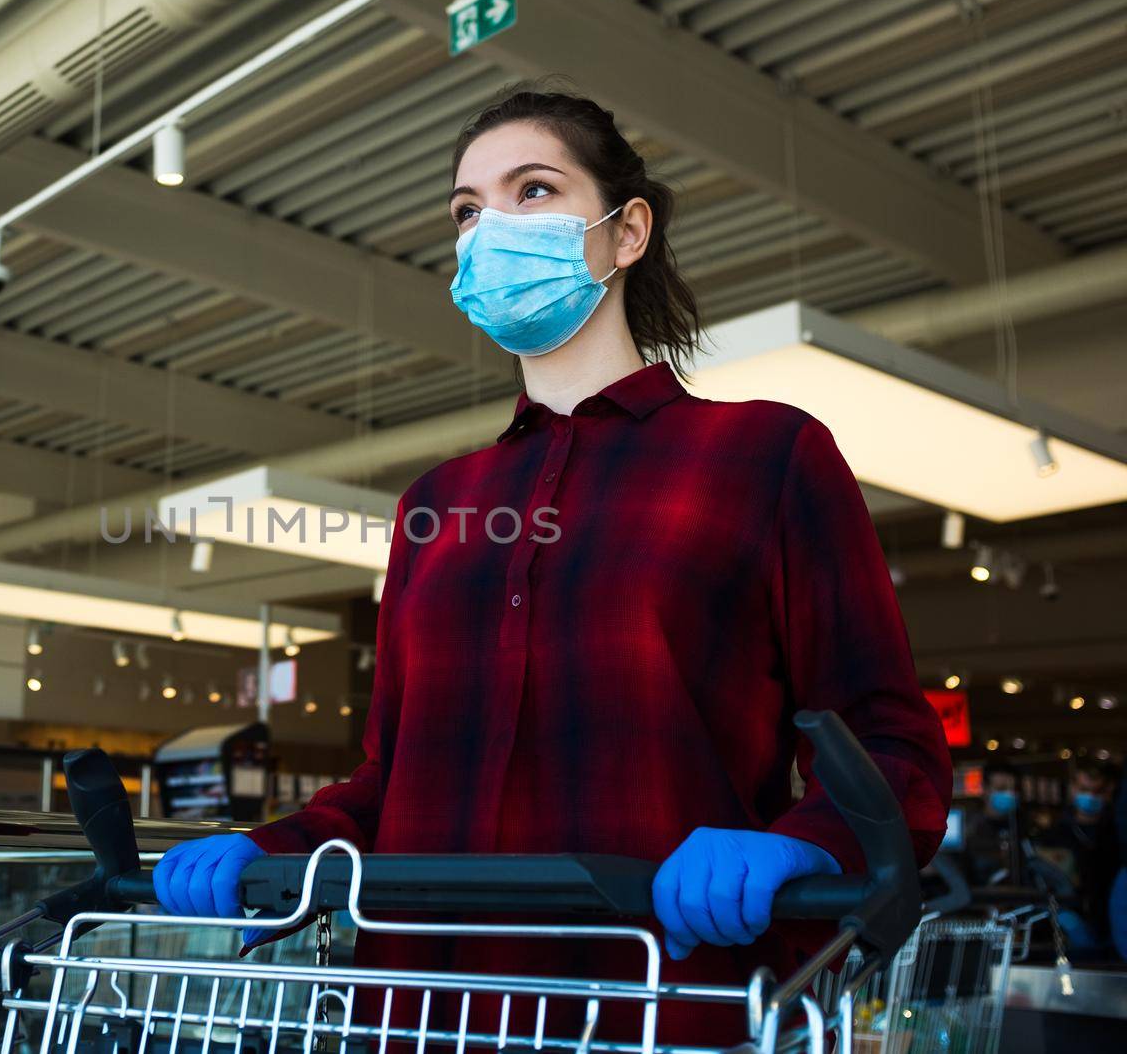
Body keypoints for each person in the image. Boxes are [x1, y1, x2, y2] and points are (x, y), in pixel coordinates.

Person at [153, 81, 952, 1047]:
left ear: (627, 233)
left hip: (663, 1000)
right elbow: (390, 780)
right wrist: (273, 845)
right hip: (420, 1012)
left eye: (532, 191)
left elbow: (891, 745)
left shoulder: (765, 458)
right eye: (467, 210)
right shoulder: (435, 507)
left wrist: (795, 846)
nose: (492, 228)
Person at [1030, 759, 1119, 958]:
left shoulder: (1117, 833)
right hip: (1071, 927)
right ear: (1073, 788)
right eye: (1084, 789)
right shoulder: (1053, 835)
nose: (1090, 796)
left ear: (1108, 791)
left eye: (1097, 790)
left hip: (1114, 923)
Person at [962, 757, 1025, 889]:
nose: (1010, 794)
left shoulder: (1024, 828)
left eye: (1014, 789)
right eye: (1001, 788)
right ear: (984, 789)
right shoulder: (968, 829)